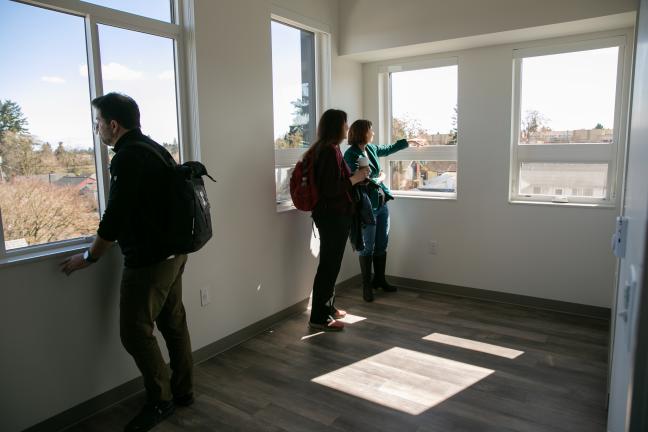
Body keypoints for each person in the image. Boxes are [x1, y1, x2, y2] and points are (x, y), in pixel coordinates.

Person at [60, 93, 193, 432]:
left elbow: (115, 216)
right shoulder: (155, 148)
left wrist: (89, 256)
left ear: (113, 125)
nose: (97, 129)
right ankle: (183, 391)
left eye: (98, 123)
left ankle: (161, 400)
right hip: (175, 254)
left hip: (149, 262)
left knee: (134, 332)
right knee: (173, 322)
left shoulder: (127, 158)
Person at [307, 109, 369, 331]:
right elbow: (331, 189)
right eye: (345, 123)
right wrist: (356, 178)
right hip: (332, 216)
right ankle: (319, 317)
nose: (347, 127)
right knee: (329, 265)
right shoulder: (328, 152)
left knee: (332, 264)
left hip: (332, 215)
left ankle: (328, 307)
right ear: (337, 127)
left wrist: (355, 179)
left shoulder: (328, 149)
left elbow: (334, 183)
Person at [344, 119, 416, 302]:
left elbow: (388, 148)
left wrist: (408, 142)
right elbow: (359, 179)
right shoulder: (350, 154)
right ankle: (366, 287)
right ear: (362, 132)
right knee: (367, 247)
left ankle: (379, 280)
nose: (373, 133)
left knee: (382, 244)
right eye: (370, 130)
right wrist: (381, 177)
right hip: (366, 207)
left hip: (382, 205)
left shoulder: (372, 149)